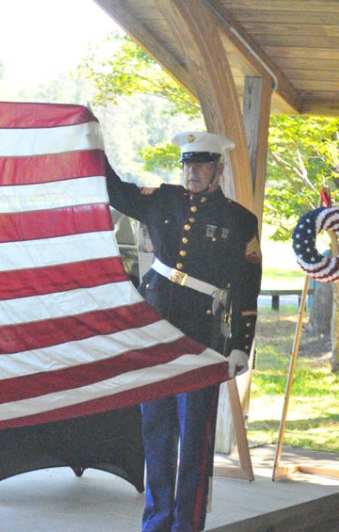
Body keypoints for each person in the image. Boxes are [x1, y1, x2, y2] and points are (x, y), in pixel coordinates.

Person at [105, 131, 262, 531]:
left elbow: (247, 289)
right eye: (188, 164)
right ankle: (156, 523)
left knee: (193, 441)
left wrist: (241, 346)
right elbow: (114, 191)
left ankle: (186, 525)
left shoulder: (240, 220)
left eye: (202, 165)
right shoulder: (163, 199)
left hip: (202, 338)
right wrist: (91, 145)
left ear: (218, 170)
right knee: (156, 434)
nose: (192, 172)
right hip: (156, 330)